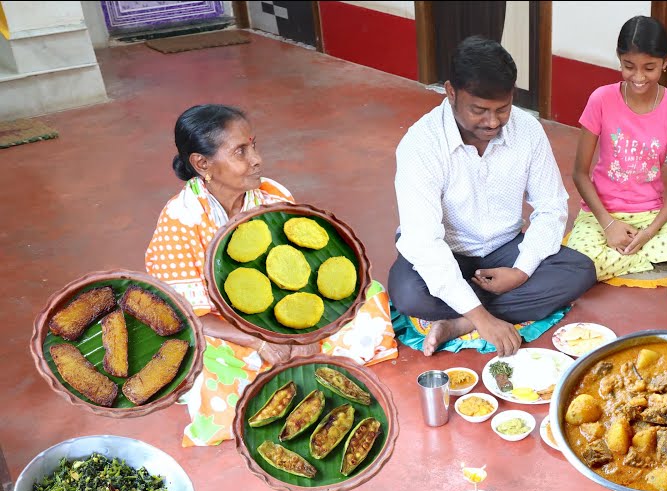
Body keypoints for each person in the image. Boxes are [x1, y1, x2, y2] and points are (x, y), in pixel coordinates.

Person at [146, 104, 397, 446]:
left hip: (283, 315)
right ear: (202, 164)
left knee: (369, 298)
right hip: (222, 326)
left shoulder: (271, 195)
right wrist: (260, 341)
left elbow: (302, 271)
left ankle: (291, 372)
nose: (257, 160)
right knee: (217, 366)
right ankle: (289, 375)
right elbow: (187, 316)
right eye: (240, 152)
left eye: (253, 146)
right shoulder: (180, 221)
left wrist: (307, 334)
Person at [388, 36, 596, 356]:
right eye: (479, 110)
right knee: (408, 294)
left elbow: (551, 206)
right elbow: (424, 242)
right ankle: (475, 314)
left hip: (504, 250)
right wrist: (482, 319)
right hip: (448, 251)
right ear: (451, 92)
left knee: (579, 271)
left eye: (503, 109)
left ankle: (458, 323)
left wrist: (521, 272)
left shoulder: (527, 130)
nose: (493, 122)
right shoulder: (421, 145)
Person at [565, 15, 667, 285]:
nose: (638, 77)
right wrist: (609, 225)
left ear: (666, 61)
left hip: (651, 217)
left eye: (649, 68)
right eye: (629, 66)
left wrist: (649, 232)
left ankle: (626, 257)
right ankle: (645, 259)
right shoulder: (600, 99)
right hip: (600, 214)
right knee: (578, 265)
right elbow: (580, 173)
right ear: (619, 58)